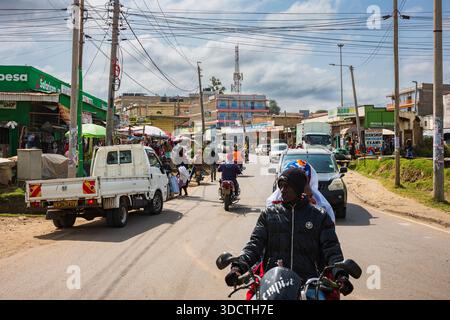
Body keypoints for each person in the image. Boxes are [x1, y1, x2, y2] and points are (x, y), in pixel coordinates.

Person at [224, 167, 353, 299]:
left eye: (287, 186)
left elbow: (332, 249)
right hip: (272, 285)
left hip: (309, 285)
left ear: (298, 188)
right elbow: (254, 245)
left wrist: (341, 275)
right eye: (281, 186)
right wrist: (237, 268)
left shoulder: (319, 216)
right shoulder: (269, 215)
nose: (282, 190)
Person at [266, 159, 335, 223]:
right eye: (283, 184)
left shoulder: (322, 209)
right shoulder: (272, 207)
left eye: (302, 183)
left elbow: (328, 233)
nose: (283, 190)